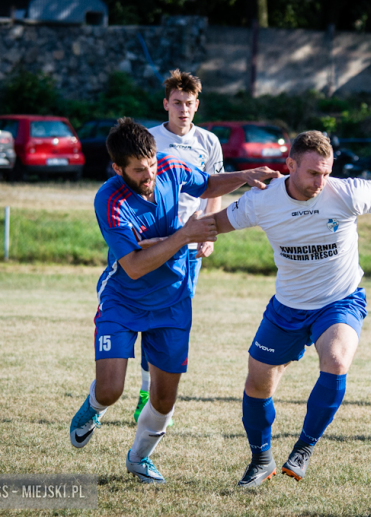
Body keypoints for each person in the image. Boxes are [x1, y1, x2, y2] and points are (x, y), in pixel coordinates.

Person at [212, 130, 371, 487]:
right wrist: (173, 240)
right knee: (258, 384)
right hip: (287, 306)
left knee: (335, 360)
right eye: (313, 173)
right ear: (290, 165)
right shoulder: (263, 200)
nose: (321, 181)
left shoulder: (345, 192)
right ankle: (261, 459)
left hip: (340, 299)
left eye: (326, 173)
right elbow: (215, 224)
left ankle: (303, 449)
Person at [68, 118, 281, 484]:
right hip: (124, 300)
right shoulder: (109, 198)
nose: (150, 173)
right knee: (111, 389)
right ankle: (94, 407)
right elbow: (134, 266)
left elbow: (207, 184)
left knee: (164, 400)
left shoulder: (169, 164)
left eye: (151, 164)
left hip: (173, 300)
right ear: (118, 169)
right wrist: (184, 236)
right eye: (139, 169)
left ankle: (138, 458)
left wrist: (246, 175)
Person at [132, 69, 224, 424]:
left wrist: (208, 232)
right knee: (149, 316)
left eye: (189, 103)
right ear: (165, 104)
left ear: (197, 105)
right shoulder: (149, 139)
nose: (183, 109)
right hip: (156, 242)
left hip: (190, 250)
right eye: (177, 103)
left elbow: (213, 189)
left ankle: (156, 396)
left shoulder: (209, 143)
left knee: (173, 322)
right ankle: (146, 392)